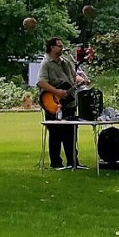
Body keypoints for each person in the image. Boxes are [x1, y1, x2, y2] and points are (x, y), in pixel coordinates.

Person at [37, 36, 88, 169]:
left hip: (69, 103)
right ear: (52, 47)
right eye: (59, 46)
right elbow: (41, 82)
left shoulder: (65, 62)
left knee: (71, 133)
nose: (62, 48)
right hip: (53, 103)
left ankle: (73, 162)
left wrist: (80, 79)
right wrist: (57, 92)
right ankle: (56, 163)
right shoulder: (46, 63)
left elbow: (73, 76)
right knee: (55, 134)